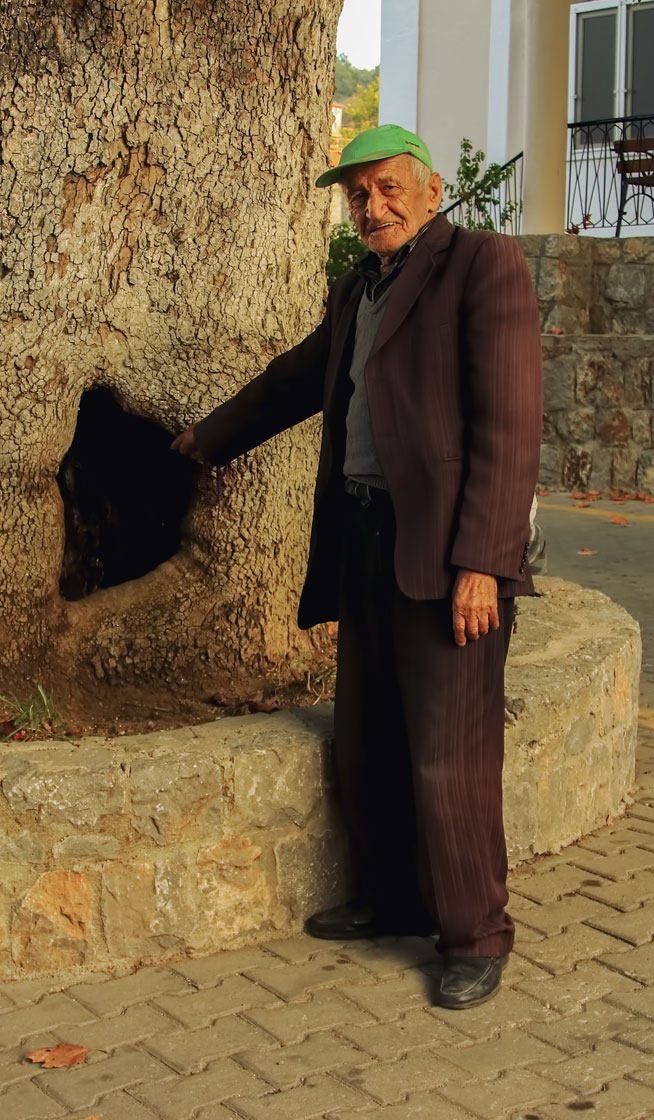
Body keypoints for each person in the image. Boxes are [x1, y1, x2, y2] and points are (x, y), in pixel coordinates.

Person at [173, 125, 541, 1010]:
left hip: (449, 558)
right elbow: (292, 382)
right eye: (357, 196)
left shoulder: (481, 266)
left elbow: (509, 425)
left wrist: (483, 565)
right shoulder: (358, 290)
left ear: (430, 188)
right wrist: (197, 444)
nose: (370, 207)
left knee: (449, 757)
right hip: (366, 541)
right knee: (370, 738)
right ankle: (391, 898)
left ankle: (475, 935)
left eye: (385, 190)